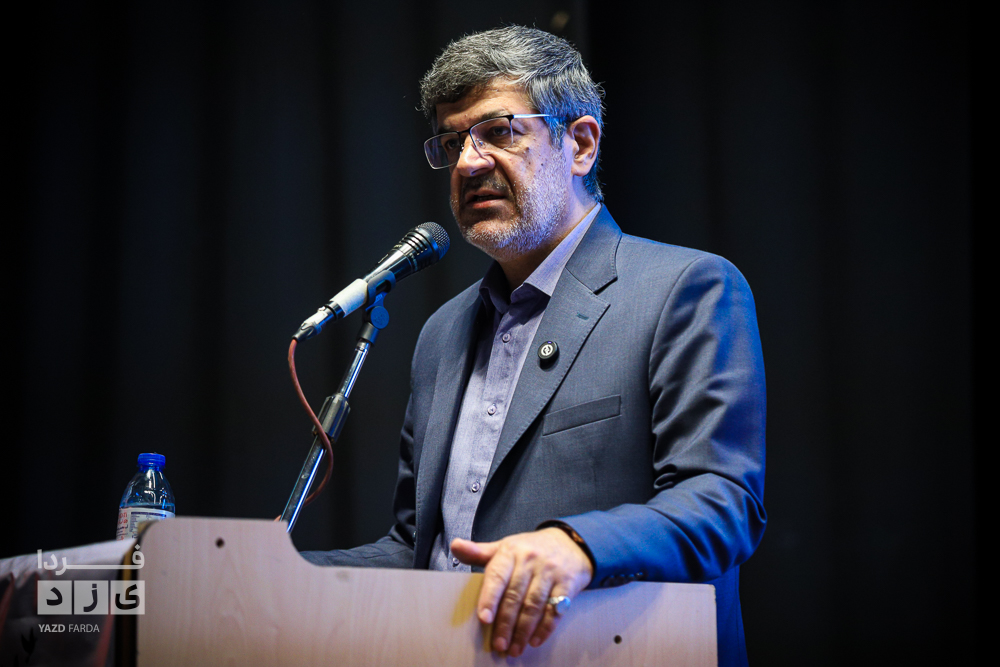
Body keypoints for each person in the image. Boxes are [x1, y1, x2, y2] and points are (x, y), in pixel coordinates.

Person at [303, 25, 766, 666]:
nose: (468, 163)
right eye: (451, 142)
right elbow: (418, 551)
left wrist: (576, 547)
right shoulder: (441, 334)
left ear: (580, 144)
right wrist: (278, 572)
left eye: (499, 132)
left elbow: (722, 503)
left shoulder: (684, 288)